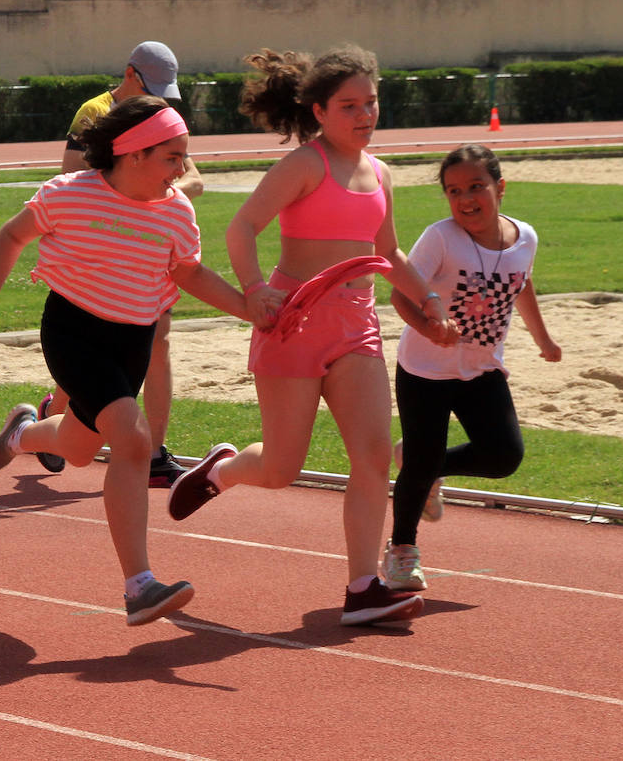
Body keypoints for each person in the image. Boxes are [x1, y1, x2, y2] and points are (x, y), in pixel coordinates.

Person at [166, 45, 454, 626]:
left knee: (373, 458)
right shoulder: (305, 166)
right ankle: (222, 469)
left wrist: (426, 299)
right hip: (292, 325)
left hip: (357, 330)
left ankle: (362, 587)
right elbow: (243, 225)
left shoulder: (382, 173)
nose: (365, 115)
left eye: (371, 103)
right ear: (319, 112)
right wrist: (252, 288)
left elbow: (387, 250)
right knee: (280, 469)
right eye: (350, 105)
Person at [0, 96, 247, 626]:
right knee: (134, 439)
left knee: (77, 447)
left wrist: (247, 308)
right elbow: (12, 235)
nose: (182, 168)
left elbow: (188, 273)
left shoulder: (177, 211)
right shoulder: (70, 196)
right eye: (172, 156)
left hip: (131, 341)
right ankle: (139, 585)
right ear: (134, 154)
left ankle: (23, 432)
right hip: (73, 331)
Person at [382, 144, 562, 591]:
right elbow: (401, 295)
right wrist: (430, 328)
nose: (466, 199)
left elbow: (522, 283)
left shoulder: (526, 237)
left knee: (504, 457)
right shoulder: (441, 237)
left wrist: (543, 338)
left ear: (500, 188)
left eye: (476, 187)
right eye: (454, 190)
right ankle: (402, 551)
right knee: (421, 464)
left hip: (482, 368)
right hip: (425, 369)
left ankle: (426, 468)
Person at [38, 40, 205, 485]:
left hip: (149, 251)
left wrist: (156, 197)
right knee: (91, 349)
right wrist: (136, 198)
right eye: (154, 87)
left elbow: (194, 178)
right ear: (130, 73)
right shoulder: (94, 112)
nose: (162, 99)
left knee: (158, 343)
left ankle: (154, 453)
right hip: (100, 255)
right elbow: (72, 172)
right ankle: (53, 416)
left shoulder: (158, 118)